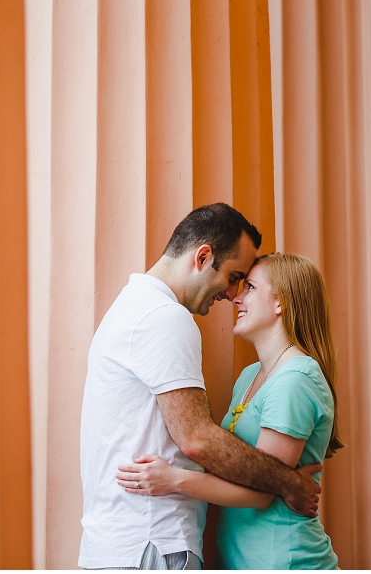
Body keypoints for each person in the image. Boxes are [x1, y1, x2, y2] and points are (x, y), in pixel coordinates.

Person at [79, 204, 323, 570]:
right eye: (233, 276)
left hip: (130, 541)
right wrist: (288, 483)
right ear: (203, 256)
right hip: (151, 542)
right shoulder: (165, 317)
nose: (232, 294)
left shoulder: (132, 307)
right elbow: (197, 438)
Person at [116, 252, 342, 569]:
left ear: (281, 303)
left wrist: (172, 480)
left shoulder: (296, 379)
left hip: (286, 561)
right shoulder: (251, 375)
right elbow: (239, 468)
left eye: (250, 287)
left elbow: (262, 490)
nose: (235, 297)